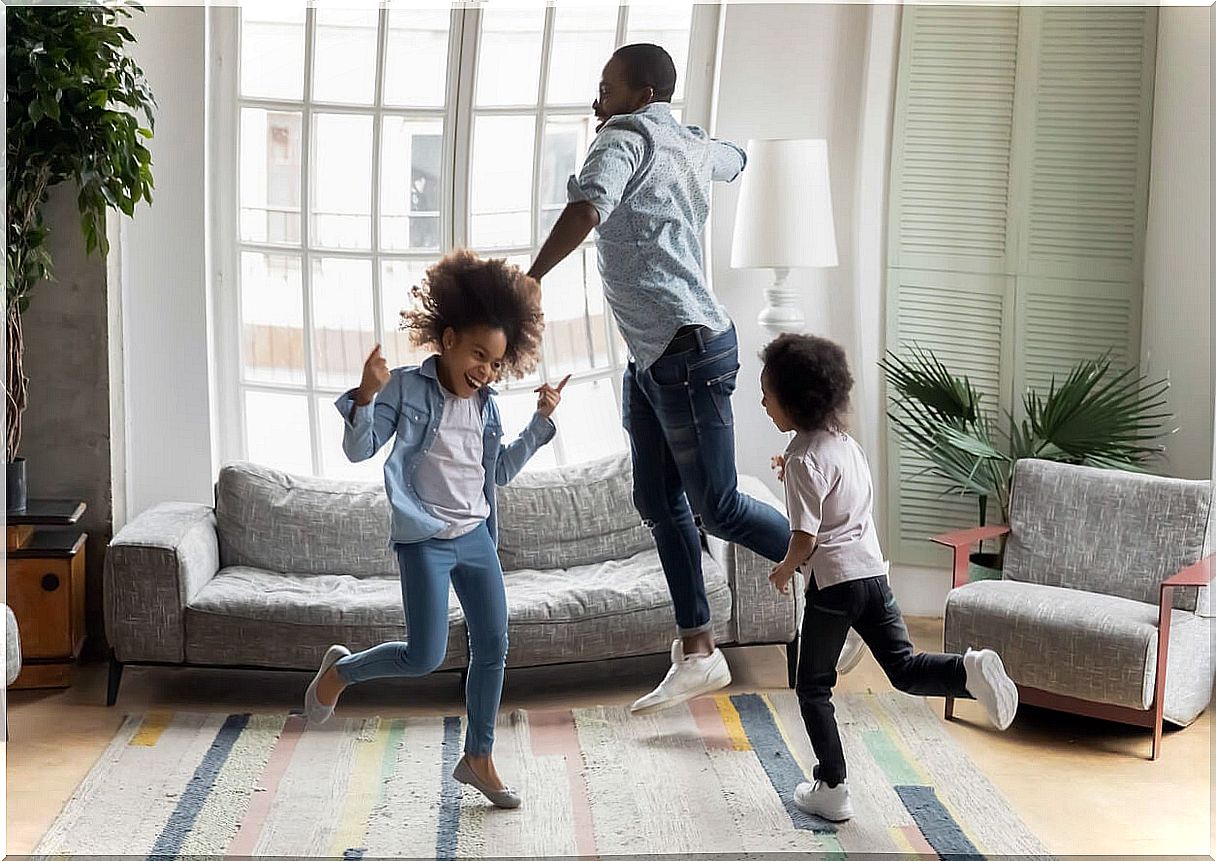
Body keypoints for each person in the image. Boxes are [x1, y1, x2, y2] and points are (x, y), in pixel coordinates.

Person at [527, 42, 862, 713]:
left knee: (718, 506)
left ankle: (841, 584)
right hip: (656, 357)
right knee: (656, 499)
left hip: (687, 352)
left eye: (607, 87)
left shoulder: (622, 138)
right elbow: (733, 161)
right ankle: (700, 650)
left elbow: (590, 206)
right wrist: (709, 146)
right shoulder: (682, 140)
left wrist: (531, 277)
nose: (598, 101)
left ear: (641, 91)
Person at [304, 250, 568, 809]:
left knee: (494, 643)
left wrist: (540, 425)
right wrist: (368, 394)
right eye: (479, 355)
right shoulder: (404, 388)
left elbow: (496, 472)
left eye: (496, 363)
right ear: (446, 340)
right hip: (424, 541)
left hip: (476, 539)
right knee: (424, 655)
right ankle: (341, 672)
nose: (486, 371)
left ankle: (478, 757)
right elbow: (359, 450)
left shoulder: (488, 408)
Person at [760, 333, 1019, 822]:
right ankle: (969, 670)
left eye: (768, 393)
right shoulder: (844, 446)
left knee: (813, 686)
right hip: (872, 577)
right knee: (903, 667)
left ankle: (832, 786)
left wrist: (784, 569)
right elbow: (833, 492)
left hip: (833, 587)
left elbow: (805, 539)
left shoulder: (801, 460)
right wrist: (790, 468)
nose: (763, 402)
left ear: (794, 401)